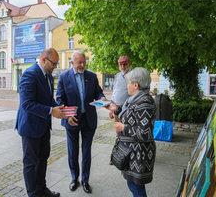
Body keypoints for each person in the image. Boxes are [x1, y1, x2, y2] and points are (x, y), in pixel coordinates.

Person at [15, 48, 67, 197]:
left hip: (43, 126)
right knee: (30, 162)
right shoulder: (29, 75)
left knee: (43, 157)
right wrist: (51, 111)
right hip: (30, 127)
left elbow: (48, 100)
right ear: (44, 59)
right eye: (54, 63)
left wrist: (59, 109)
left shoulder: (48, 75)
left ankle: (41, 188)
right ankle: (33, 194)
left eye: (56, 64)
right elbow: (27, 104)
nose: (55, 67)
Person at [56, 50, 106, 194]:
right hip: (72, 119)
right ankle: (74, 178)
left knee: (86, 152)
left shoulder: (91, 76)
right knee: (72, 152)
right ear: (72, 63)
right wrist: (66, 115)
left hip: (88, 119)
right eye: (79, 62)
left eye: (84, 61)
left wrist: (102, 97)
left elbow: (98, 92)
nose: (82, 65)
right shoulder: (63, 77)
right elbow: (60, 99)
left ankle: (85, 180)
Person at [105, 67, 156, 197]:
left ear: (135, 85)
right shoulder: (135, 99)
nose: (127, 85)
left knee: (136, 187)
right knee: (133, 185)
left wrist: (123, 128)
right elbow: (130, 114)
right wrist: (115, 109)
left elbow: (145, 133)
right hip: (132, 152)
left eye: (128, 83)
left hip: (139, 153)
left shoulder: (145, 102)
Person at [108, 55, 131, 165]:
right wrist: (111, 108)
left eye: (125, 64)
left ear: (129, 64)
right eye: (120, 64)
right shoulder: (117, 76)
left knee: (128, 132)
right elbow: (115, 91)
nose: (122, 66)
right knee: (118, 133)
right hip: (116, 108)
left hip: (128, 110)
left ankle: (129, 155)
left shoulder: (133, 76)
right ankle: (117, 155)